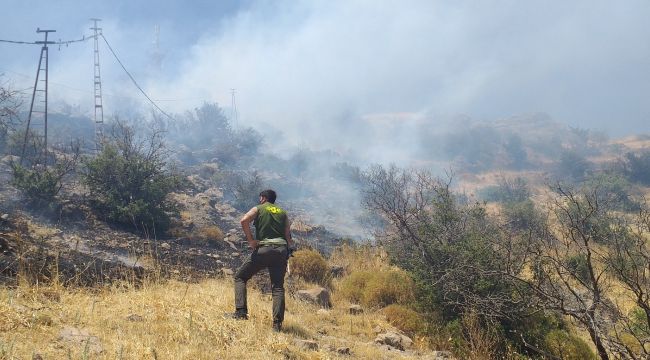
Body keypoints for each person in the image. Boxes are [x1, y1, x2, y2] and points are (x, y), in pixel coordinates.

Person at [227, 189, 293, 332]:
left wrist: (251, 240)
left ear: (263, 198)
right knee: (278, 287)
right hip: (281, 250)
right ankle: (277, 325)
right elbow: (288, 236)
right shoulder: (283, 212)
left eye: (260, 198)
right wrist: (289, 250)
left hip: (265, 249)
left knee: (240, 277)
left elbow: (244, 220)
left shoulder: (259, 208)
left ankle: (241, 312)